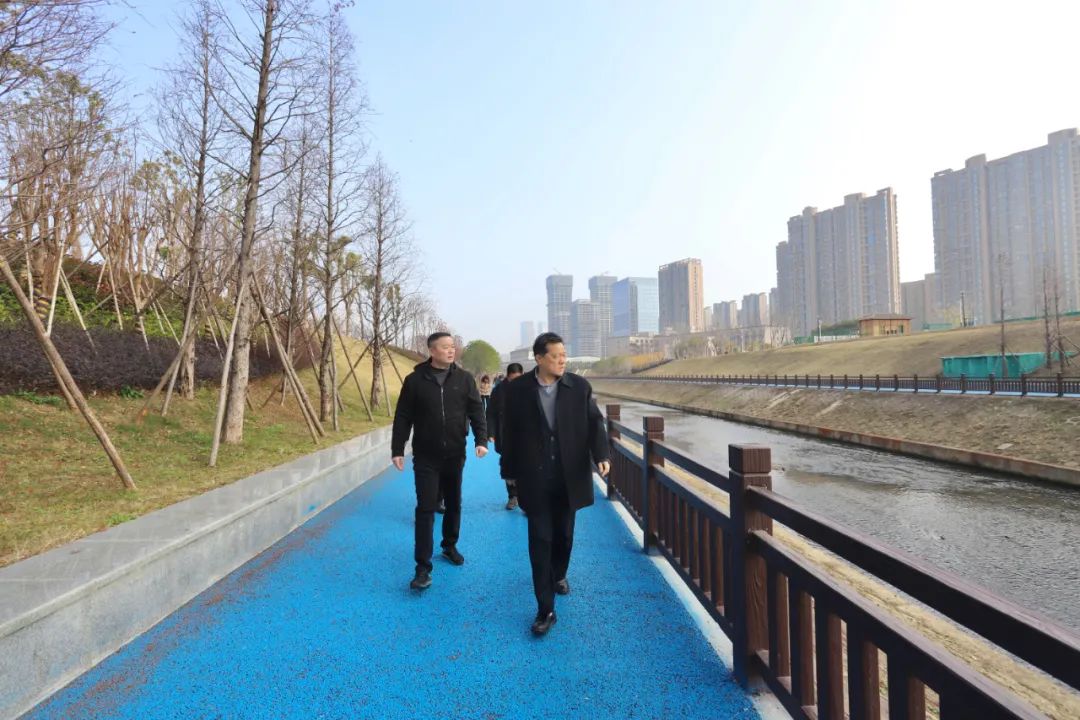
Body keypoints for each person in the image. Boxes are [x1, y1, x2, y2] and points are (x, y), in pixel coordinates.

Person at [501, 333, 610, 636]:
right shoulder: (519, 390)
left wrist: (602, 454)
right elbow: (511, 431)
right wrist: (508, 470)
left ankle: (559, 573)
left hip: (568, 477)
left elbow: (595, 423)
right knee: (539, 540)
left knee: (564, 536)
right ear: (539, 358)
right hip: (534, 478)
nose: (562, 360)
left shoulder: (579, 387)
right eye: (556, 356)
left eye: (564, 355)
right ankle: (545, 609)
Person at [392, 332, 488, 591]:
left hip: (455, 454)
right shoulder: (415, 381)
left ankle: (449, 545)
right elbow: (403, 416)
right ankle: (422, 568)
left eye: (452, 346)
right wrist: (397, 449)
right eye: (445, 347)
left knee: (454, 503)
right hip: (426, 456)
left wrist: (481, 440)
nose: (451, 350)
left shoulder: (464, 379)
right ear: (432, 351)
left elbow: (476, 411)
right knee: (425, 508)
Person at [486, 362, 524, 510]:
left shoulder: (529, 388)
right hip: (505, 434)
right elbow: (490, 413)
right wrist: (491, 432)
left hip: (525, 434)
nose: (516, 382)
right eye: (513, 379)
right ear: (507, 376)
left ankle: (526, 499)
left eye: (518, 378)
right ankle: (512, 496)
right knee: (508, 466)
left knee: (526, 466)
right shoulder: (498, 391)